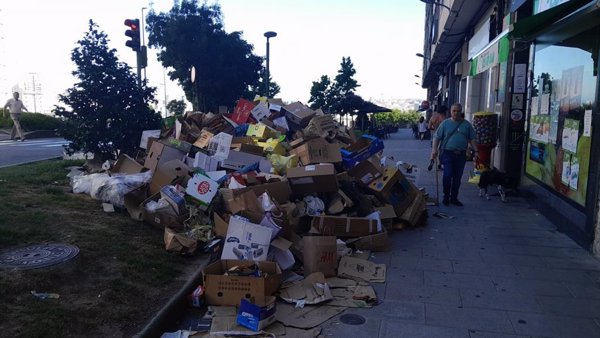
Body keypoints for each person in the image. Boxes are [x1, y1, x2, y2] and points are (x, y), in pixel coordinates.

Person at [431, 103, 477, 206]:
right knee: (447, 175)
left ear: (461, 112)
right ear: (451, 112)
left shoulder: (466, 125)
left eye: (458, 111)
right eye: (454, 111)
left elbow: (472, 138)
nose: (456, 113)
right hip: (447, 153)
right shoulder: (445, 124)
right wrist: (434, 150)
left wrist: (476, 150)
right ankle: (446, 197)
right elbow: (437, 137)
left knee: (457, 177)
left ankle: (454, 198)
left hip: (461, 155)